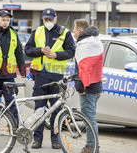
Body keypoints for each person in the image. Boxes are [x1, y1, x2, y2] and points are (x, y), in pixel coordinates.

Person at [25, 8, 75, 149]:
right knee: (39, 110)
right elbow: (27, 50)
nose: (48, 22)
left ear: (56, 18)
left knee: (56, 111)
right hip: (40, 76)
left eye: (50, 19)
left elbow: (71, 51)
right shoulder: (37, 32)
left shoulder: (64, 33)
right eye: (45, 20)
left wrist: (56, 55)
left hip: (56, 77)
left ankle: (55, 139)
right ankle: (37, 140)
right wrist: (39, 51)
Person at [0, 10, 26, 124]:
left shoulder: (13, 33)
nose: (5, 22)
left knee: (11, 103)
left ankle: (14, 126)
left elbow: (18, 52)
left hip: (8, 75)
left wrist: (22, 69)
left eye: (8, 20)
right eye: (3, 20)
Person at [73, 19, 103, 153]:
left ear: (80, 30)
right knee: (91, 117)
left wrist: (80, 88)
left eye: (74, 31)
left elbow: (83, 68)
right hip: (97, 85)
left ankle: (92, 146)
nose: (73, 34)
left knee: (88, 119)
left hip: (88, 88)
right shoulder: (95, 41)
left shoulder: (84, 44)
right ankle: (94, 145)